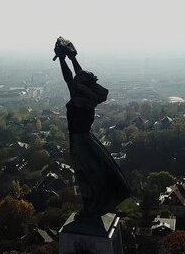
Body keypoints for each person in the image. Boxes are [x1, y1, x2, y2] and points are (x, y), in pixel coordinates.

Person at [54, 37, 131, 217]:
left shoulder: (79, 98)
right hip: (87, 138)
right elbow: (78, 77)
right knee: (94, 170)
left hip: (80, 141)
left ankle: (92, 206)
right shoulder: (90, 96)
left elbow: (69, 79)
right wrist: (72, 58)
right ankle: (95, 203)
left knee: (85, 173)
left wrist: (63, 60)